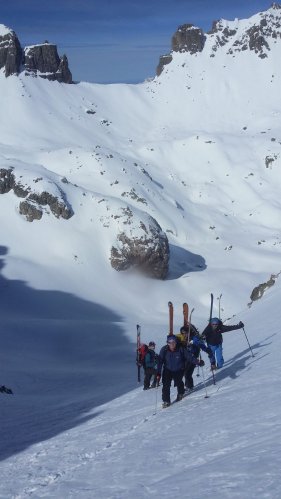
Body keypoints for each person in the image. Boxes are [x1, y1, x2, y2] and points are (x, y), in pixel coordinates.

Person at [157, 335, 204, 408]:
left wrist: (198, 362)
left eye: (173, 342)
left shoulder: (181, 349)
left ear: (176, 342)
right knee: (166, 385)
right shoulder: (164, 350)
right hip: (167, 369)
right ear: (167, 343)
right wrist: (158, 373)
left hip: (179, 369)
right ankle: (166, 401)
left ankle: (180, 393)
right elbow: (160, 362)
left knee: (178, 382)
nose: (172, 344)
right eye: (170, 342)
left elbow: (189, 357)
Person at [179, 325, 216, 390]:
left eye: (185, 333)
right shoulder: (184, 339)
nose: (184, 334)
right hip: (187, 357)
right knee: (186, 372)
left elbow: (200, 344)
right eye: (182, 333)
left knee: (187, 373)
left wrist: (206, 349)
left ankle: (189, 386)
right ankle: (188, 385)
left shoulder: (194, 338)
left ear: (188, 332)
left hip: (193, 358)